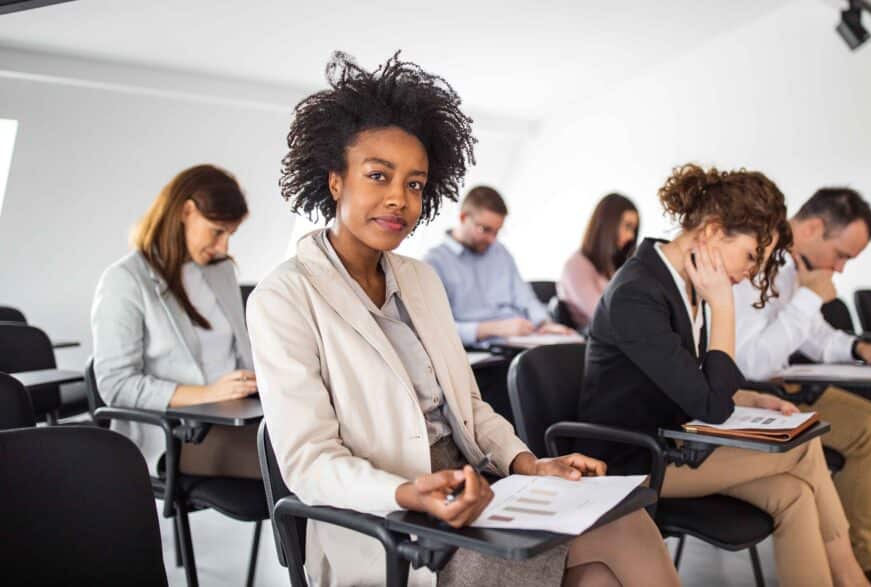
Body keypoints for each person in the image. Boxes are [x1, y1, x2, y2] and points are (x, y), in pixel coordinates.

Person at [248, 52, 677, 587]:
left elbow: (470, 407)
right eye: (378, 176)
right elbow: (309, 463)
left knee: (621, 528)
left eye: (414, 184)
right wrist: (408, 492)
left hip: (473, 495)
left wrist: (528, 464)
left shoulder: (420, 280)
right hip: (389, 526)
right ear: (335, 181)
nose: (399, 199)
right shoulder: (283, 297)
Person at [579, 164, 869, 587]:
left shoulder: (681, 280)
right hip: (635, 459)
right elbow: (711, 407)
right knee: (805, 447)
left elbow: (691, 382)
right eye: (751, 257)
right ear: (714, 231)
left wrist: (750, 398)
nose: (751, 272)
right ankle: (854, 579)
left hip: (676, 441)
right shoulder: (636, 293)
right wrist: (723, 306)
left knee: (795, 494)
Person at [734, 188, 871, 586]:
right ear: (813, 228)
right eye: (841, 255)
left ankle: (841, 545)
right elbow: (750, 364)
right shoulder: (751, 261)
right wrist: (809, 298)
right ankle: (860, 561)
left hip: (788, 387)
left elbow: (815, 336)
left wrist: (861, 349)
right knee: (865, 435)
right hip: (753, 397)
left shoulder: (796, 266)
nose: (841, 269)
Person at [92, 164, 259, 478]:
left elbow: (242, 354)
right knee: (293, 464)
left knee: (328, 443)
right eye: (217, 231)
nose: (224, 247)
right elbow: (116, 385)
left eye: (230, 234)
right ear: (186, 211)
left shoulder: (221, 270)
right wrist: (207, 394)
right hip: (180, 434)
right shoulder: (125, 280)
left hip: (238, 415)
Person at [423, 186, 575, 345]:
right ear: (463, 218)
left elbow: (525, 297)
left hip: (520, 339)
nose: (492, 239)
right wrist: (495, 328)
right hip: (480, 349)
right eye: (485, 229)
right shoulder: (434, 263)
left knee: (570, 347)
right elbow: (435, 330)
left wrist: (545, 324)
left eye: (497, 232)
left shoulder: (499, 252)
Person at [557, 193, 640, 328]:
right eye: (628, 226)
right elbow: (603, 314)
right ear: (608, 225)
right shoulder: (576, 265)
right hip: (589, 339)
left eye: (634, 230)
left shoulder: (616, 266)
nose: (631, 236)